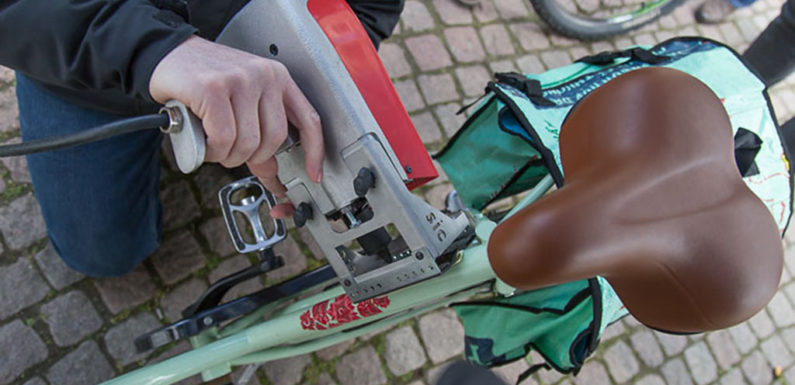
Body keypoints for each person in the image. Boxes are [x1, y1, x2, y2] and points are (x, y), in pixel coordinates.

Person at [0, 0, 404, 277]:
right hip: (87, 74)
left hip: (260, 51)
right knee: (102, 256)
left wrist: (316, 69)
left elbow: (368, 8)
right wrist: (145, 49)